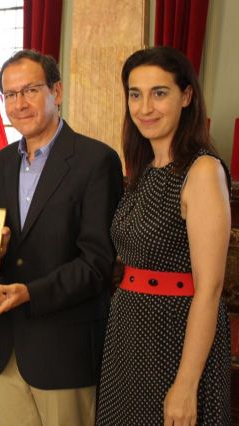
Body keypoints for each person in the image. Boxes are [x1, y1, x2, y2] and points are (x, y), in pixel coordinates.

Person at [0, 50, 123, 425]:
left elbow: (97, 262)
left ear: (57, 91)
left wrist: (32, 293)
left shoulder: (97, 161)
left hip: (66, 351)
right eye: (10, 95)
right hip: (7, 349)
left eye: (30, 90)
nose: (19, 103)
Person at [97, 46, 231, 425]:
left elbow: (211, 287)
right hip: (128, 334)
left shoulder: (202, 170)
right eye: (135, 94)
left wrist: (186, 384)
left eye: (160, 93)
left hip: (174, 338)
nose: (145, 108)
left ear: (186, 96)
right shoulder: (146, 171)